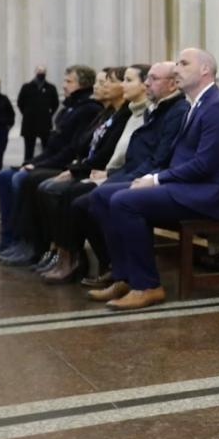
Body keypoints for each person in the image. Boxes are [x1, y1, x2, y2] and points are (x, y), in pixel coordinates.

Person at [86, 48, 219, 311]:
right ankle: (125, 277)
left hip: (208, 194)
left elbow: (205, 165)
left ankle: (147, 285)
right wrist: (153, 177)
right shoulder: (197, 104)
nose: (177, 69)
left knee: (125, 202)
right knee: (102, 195)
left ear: (205, 70)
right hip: (186, 186)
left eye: (183, 63)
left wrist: (156, 179)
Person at [36, 65, 151, 283]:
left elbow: (129, 155)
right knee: (50, 188)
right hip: (109, 171)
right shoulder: (112, 112)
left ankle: (98, 263)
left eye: (125, 80)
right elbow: (85, 146)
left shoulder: (135, 112)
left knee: (75, 195)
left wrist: (105, 173)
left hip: (125, 174)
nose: (102, 86)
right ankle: (61, 254)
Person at [0, 65, 100, 258]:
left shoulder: (88, 110)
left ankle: (30, 244)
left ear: (83, 84)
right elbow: (52, 147)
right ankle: (10, 240)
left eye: (68, 81)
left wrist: (37, 166)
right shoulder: (69, 108)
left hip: (65, 166)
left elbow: (71, 150)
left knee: (23, 179)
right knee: (5, 176)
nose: (63, 85)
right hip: (50, 158)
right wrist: (32, 162)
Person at [17, 66, 59, 160]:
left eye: (43, 71)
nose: (41, 73)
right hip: (29, 123)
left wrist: (48, 114)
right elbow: (20, 103)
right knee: (28, 150)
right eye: (39, 71)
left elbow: (55, 103)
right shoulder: (26, 87)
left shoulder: (50, 87)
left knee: (46, 148)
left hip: (44, 122)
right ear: (35, 72)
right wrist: (27, 113)